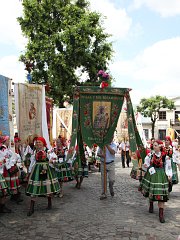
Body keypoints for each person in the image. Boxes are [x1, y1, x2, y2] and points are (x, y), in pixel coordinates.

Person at [138, 140, 172, 223]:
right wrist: (146, 166)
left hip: (161, 176)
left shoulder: (165, 156)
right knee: (152, 191)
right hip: (152, 175)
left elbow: (168, 167)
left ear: (160, 147)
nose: (154, 146)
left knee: (161, 194)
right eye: (153, 145)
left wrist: (169, 175)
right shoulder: (150, 155)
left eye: (156, 145)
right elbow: (146, 164)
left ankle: (161, 214)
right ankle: (151, 204)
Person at [26, 137, 60, 216]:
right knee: (35, 188)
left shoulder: (48, 151)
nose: (38, 144)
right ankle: (31, 208)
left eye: (39, 142)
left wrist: (52, 161)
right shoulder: (34, 152)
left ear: (43, 143)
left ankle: (49, 202)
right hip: (37, 171)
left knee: (47, 186)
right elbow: (32, 162)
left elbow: (55, 159)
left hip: (46, 170)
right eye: (37, 142)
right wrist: (29, 172)